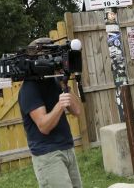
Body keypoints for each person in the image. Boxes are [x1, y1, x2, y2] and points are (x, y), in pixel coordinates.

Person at [18, 38, 83, 188]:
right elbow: (44, 126)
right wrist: (60, 105)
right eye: (48, 55)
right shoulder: (29, 89)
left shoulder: (54, 80)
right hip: (48, 155)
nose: (54, 59)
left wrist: (64, 85)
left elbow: (77, 110)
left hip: (67, 148)